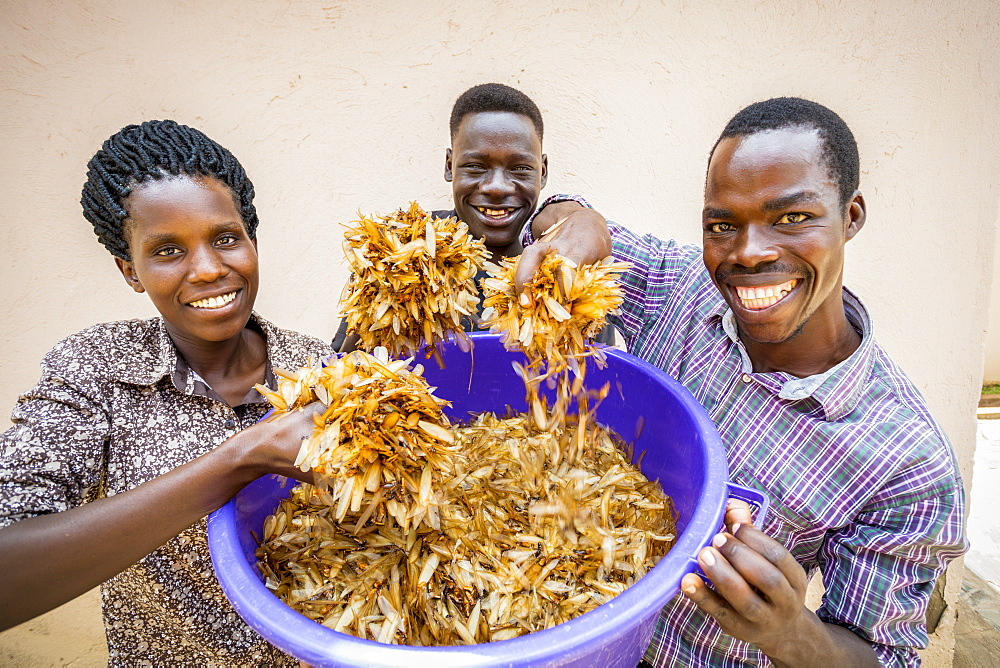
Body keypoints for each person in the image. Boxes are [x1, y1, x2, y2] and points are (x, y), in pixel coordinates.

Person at [517, 97, 967, 666]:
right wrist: (573, 217)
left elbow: (884, 656)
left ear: (851, 216)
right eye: (723, 226)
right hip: (574, 638)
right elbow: (570, 222)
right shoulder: (679, 286)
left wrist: (790, 634)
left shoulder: (907, 460)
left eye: (793, 218)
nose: (750, 253)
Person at [0, 120, 330, 665]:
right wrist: (239, 459)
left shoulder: (319, 369)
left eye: (226, 238)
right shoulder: (95, 370)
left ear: (251, 240)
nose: (208, 270)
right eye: (168, 250)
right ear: (130, 270)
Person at [332, 82, 613, 350]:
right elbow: (348, 368)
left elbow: (598, 376)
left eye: (520, 168)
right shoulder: (399, 254)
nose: (497, 187)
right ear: (449, 166)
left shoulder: (570, 262)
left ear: (543, 171)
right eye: (476, 166)